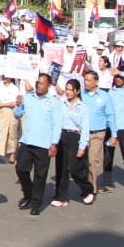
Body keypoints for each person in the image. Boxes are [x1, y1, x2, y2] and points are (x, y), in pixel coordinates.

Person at [14, 73, 61, 216]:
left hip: (43, 144)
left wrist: (54, 143)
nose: (38, 86)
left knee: (40, 176)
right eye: (37, 83)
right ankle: (28, 193)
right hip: (27, 141)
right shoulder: (28, 98)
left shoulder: (54, 102)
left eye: (41, 83)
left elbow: (57, 124)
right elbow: (17, 114)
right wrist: (19, 105)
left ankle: (36, 203)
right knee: (21, 169)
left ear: (48, 85)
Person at [51, 79, 95, 207]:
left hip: (76, 136)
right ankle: (61, 196)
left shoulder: (83, 107)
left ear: (77, 91)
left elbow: (85, 128)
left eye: (71, 90)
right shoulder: (61, 104)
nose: (68, 92)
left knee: (75, 168)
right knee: (61, 167)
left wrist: (82, 146)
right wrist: (54, 141)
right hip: (63, 135)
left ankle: (88, 190)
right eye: (67, 89)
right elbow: (56, 122)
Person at [81, 69, 117, 193]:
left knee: (92, 160)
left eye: (88, 80)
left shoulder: (104, 96)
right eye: (85, 80)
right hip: (82, 133)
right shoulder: (81, 95)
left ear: (96, 82)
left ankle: (92, 188)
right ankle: (85, 184)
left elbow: (110, 115)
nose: (86, 82)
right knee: (82, 162)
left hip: (98, 133)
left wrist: (114, 135)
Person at [0, 75, 21, 164]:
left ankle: (12, 154)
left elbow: (16, 103)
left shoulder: (15, 88)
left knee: (12, 133)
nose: (5, 77)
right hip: (0, 112)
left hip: (11, 111)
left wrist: (3, 104)